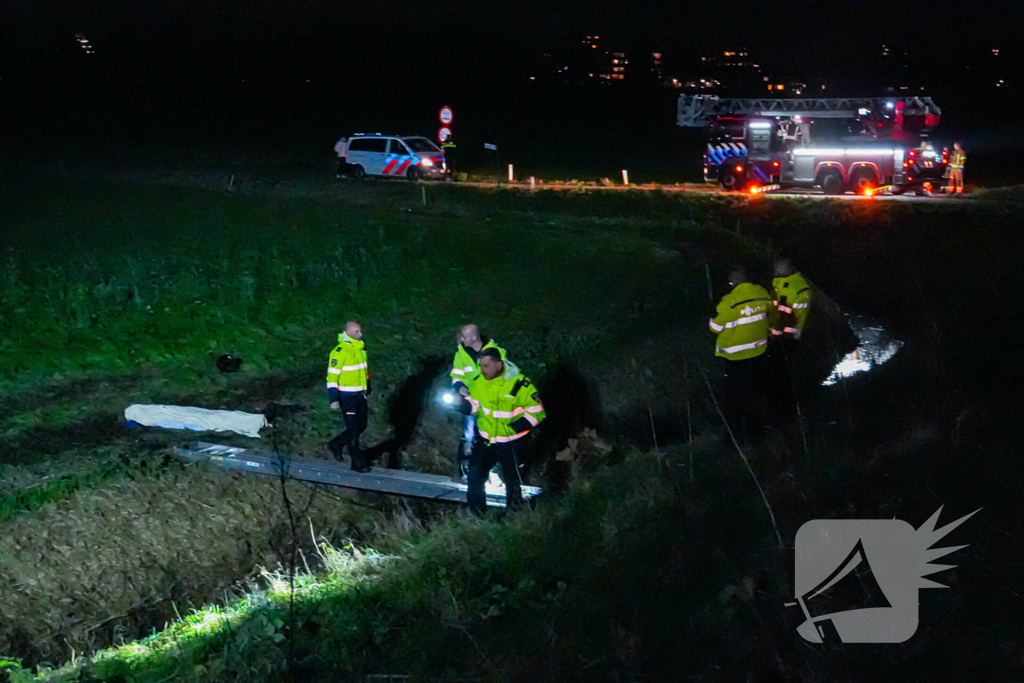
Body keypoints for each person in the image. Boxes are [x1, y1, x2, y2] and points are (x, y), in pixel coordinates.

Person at [457, 348, 544, 514]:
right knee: (474, 477)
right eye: (481, 366)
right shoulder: (478, 382)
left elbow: (537, 411)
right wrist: (463, 406)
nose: (483, 370)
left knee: (513, 481)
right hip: (486, 442)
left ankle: (513, 515)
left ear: (498, 364)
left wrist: (515, 428)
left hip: (511, 443)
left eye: (486, 365)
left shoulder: (520, 384)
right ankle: (476, 514)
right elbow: (475, 406)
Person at [709, 266, 772, 433]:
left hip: (735, 357)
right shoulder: (762, 293)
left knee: (735, 395)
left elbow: (715, 327)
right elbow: (771, 315)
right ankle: (759, 426)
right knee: (756, 389)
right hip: (759, 350)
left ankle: (738, 430)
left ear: (732, 283)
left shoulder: (729, 301)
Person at [450, 325, 515, 477]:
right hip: (472, 400)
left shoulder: (496, 352)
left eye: (463, 337)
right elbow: (457, 374)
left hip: (492, 402)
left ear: (473, 337)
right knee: (469, 432)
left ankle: (496, 469)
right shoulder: (461, 354)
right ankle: (467, 463)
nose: (460, 340)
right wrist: (459, 387)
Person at [326, 321, 372, 472]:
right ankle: (357, 463)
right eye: (357, 332)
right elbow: (332, 378)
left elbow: (363, 371)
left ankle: (337, 443)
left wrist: (367, 387)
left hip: (359, 394)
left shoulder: (359, 349)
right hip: (347, 396)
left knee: (362, 426)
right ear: (348, 333)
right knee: (353, 431)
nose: (361, 334)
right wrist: (334, 399)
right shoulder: (339, 352)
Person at [769, 258, 812, 342]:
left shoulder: (795, 288)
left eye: (777, 270)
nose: (775, 273)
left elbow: (792, 316)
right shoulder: (781, 283)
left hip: (788, 335)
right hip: (780, 332)